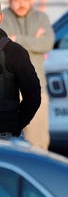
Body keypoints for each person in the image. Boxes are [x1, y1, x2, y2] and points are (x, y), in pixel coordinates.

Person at [1, 0, 55, 149]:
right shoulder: (5, 17)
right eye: (16, 0)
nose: (21, 4)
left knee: (38, 145)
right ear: (9, 1)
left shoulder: (41, 17)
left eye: (25, 0)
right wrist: (33, 39)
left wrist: (18, 39)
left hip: (35, 87)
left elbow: (47, 43)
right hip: (9, 91)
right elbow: (7, 44)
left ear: (30, 0)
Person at [0, 9, 41, 139]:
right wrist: (16, 123)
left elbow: (33, 96)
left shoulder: (14, 52)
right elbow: (33, 96)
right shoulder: (15, 51)